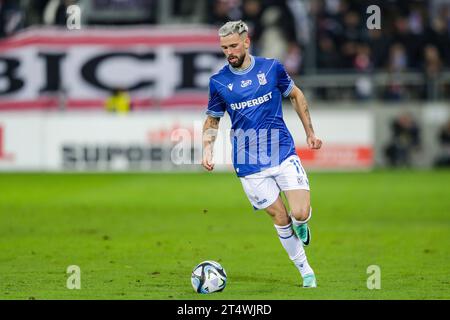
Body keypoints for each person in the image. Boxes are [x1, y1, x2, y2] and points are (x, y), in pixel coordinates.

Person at [201, 21, 322, 288]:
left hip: (282, 152)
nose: (229, 52)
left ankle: (301, 224)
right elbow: (212, 120)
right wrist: (207, 148)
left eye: (233, 45)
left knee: (299, 213)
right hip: (248, 163)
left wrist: (310, 133)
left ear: (247, 42)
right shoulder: (219, 82)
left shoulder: (271, 68)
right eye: (224, 48)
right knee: (280, 217)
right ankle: (306, 271)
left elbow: (296, 95)